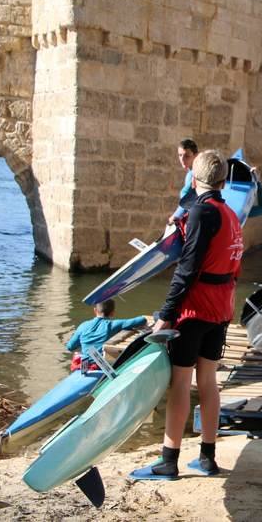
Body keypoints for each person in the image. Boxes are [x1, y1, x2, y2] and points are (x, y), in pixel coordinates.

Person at [131, 150, 244, 480]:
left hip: (195, 310)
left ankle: (169, 461)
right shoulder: (230, 214)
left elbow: (188, 269)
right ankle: (207, 458)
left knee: (180, 382)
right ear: (223, 182)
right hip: (221, 308)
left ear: (194, 180)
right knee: (207, 380)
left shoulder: (200, 213)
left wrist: (166, 313)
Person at [66, 299, 147, 371]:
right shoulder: (113, 325)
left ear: (95, 310)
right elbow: (141, 320)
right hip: (101, 366)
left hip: (85, 366)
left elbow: (70, 347)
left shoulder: (83, 326)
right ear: (112, 313)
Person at [168, 139, 198, 225]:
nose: (182, 159)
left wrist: (176, 216)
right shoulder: (191, 172)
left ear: (195, 156)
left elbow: (189, 198)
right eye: (180, 155)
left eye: (187, 156)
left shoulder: (194, 174)